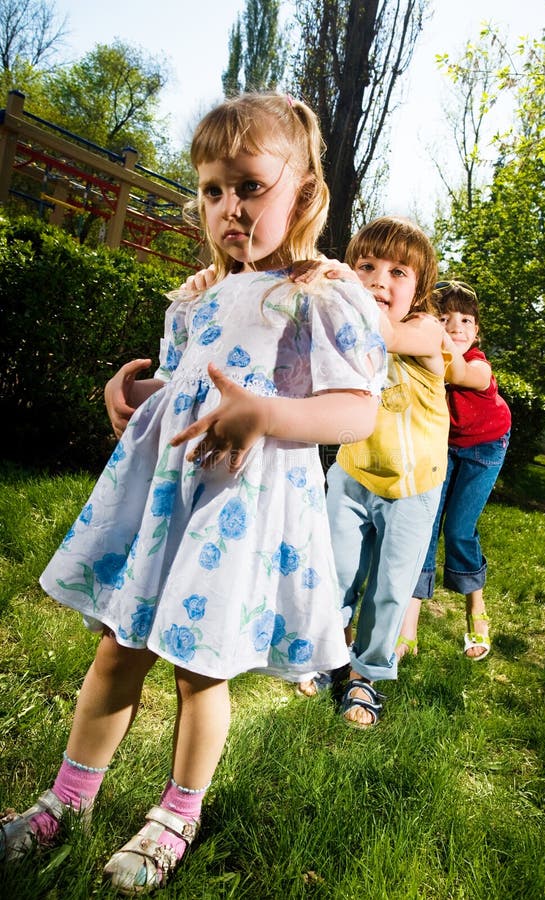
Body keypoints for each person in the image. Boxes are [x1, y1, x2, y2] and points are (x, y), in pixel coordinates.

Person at [0, 92, 385, 893]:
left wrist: (265, 413)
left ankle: (177, 813)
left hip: (237, 510)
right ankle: (65, 801)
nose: (228, 207)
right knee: (119, 646)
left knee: (196, 667)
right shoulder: (198, 294)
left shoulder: (320, 290)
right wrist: (131, 394)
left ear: (305, 194)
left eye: (249, 186)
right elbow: (183, 388)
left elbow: (357, 407)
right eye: (212, 189)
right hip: (168, 504)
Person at [290, 217, 467, 726]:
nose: (378, 280)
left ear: (421, 289)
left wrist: (338, 280)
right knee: (337, 571)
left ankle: (366, 675)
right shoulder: (347, 327)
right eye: (366, 266)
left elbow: (382, 331)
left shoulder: (426, 330)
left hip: (414, 487)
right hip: (352, 476)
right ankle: (329, 654)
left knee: (390, 586)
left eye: (397, 272)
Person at [398, 279, 511, 662]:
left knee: (459, 529)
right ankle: (407, 629)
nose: (456, 327)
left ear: (476, 330)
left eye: (465, 320)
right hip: (443, 448)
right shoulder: (425, 363)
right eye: (444, 318)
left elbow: (458, 373)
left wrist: (431, 335)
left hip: (486, 447)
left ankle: (476, 613)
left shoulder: (479, 366)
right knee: (424, 528)